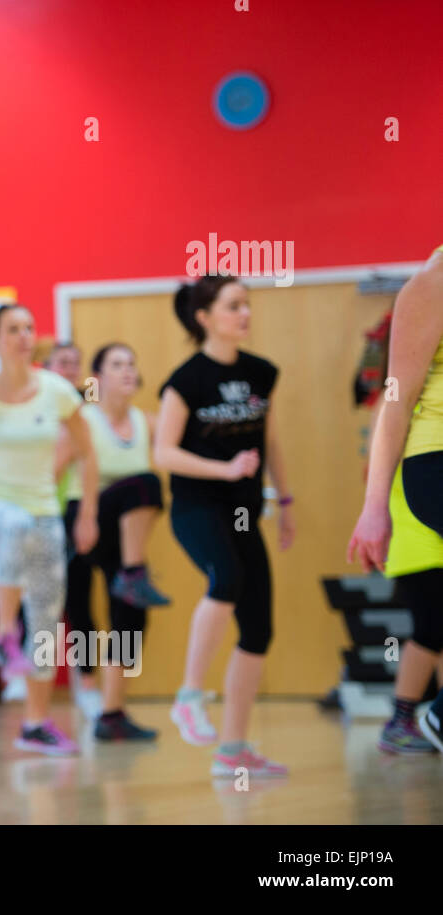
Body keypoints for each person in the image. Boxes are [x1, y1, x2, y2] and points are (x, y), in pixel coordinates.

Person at [156, 274, 293, 777]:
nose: (245, 314)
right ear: (204, 317)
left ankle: (233, 750)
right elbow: (163, 451)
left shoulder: (262, 372)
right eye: (234, 305)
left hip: (245, 512)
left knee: (259, 628)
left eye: (247, 305)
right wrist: (225, 468)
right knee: (227, 580)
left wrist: (288, 498)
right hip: (197, 508)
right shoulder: (186, 379)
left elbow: (269, 439)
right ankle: (189, 696)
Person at [0, 303, 99, 756]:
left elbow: (87, 455)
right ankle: (2, 637)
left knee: (46, 620)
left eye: (28, 328)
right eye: (12, 329)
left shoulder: (57, 390)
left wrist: (89, 513)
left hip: (45, 517)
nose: (23, 335)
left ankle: (35, 725)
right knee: (14, 527)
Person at [349, 249, 443, 753]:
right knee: (431, 621)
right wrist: (373, 506)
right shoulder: (433, 284)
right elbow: (395, 399)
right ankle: (409, 718)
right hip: (434, 463)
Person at [57, 343, 165, 741]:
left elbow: (179, 441)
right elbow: (51, 474)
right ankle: (86, 684)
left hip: (124, 535)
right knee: (81, 608)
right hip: (82, 521)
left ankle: (112, 713)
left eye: (132, 364)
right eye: (117, 364)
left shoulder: (147, 421)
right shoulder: (82, 419)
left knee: (131, 615)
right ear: (97, 377)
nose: (127, 371)